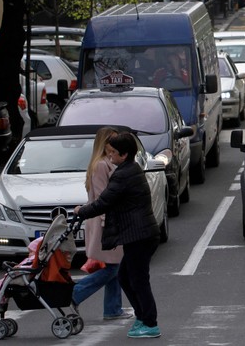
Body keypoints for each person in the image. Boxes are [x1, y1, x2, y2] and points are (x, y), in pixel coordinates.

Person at [74, 131, 162, 339]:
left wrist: (81, 211)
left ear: (124, 155)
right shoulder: (130, 169)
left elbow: (104, 201)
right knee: (124, 276)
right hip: (137, 234)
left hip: (139, 235)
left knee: (138, 280)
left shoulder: (123, 174)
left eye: (113, 152)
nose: (110, 155)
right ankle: (142, 316)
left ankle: (150, 322)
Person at [71, 127, 133, 321]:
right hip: (103, 223)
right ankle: (75, 293)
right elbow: (102, 198)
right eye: (111, 141)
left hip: (105, 222)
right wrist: (108, 225)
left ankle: (113, 308)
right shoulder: (101, 165)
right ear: (103, 144)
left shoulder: (106, 163)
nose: (115, 144)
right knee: (113, 267)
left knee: (115, 265)